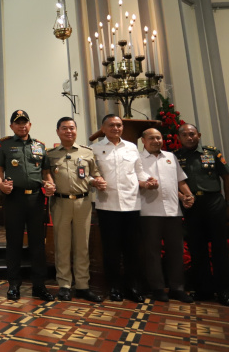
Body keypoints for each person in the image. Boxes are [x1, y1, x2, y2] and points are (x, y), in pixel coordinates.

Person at [0, 109, 56, 301]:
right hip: (14, 199)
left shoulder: (40, 146)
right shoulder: (5, 145)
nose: (22, 125)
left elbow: (46, 173)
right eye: (18, 123)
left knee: (38, 244)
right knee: (13, 243)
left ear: (30, 125)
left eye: (25, 122)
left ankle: (39, 286)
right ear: (12, 126)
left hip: (36, 199)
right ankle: (14, 285)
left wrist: (51, 184)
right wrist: (0, 185)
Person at [175, 123, 229, 306]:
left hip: (214, 202)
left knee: (219, 248)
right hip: (192, 205)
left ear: (198, 135)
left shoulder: (211, 153)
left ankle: (224, 291)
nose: (189, 137)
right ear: (179, 138)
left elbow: (227, 177)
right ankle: (203, 289)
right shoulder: (177, 157)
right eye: (185, 135)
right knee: (197, 248)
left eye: (192, 134)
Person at [45, 117, 103, 302]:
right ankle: (64, 285)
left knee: (82, 245)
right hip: (60, 203)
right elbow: (45, 176)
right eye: (64, 128)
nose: (69, 131)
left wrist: (97, 181)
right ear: (58, 131)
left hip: (83, 203)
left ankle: (83, 285)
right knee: (62, 245)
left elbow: (94, 174)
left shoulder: (87, 153)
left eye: (72, 128)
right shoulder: (51, 155)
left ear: (76, 130)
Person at [92, 114, 147, 303]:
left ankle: (133, 287)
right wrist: (94, 181)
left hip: (132, 204)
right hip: (107, 205)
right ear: (103, 128)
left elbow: (139, 171)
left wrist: (148, 181)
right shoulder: (95, 149)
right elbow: (90, 174)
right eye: (112, 125)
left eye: (119, 125)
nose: (116, 128)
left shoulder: (132, 147)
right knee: (111, 250)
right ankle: (114, 287)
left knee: (132, 249)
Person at [139, 128, 195, 303]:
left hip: (173, 211)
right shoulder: (137, 159)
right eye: (152, 138)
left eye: (159, 137)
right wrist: (145, 184)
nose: (156, 141)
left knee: (176, 251)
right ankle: (157, 288)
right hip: (149, 211)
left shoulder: (171, 157)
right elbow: (133, 182)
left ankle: (177, 288)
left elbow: (180, 180)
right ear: (143, 141)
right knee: (152, 252)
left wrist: (188, 195)